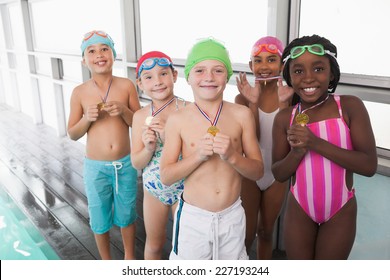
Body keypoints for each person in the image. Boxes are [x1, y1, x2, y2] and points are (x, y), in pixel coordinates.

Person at [272, 34, 377, 259]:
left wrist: (315, 143)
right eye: (298, 71)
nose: (308, 78)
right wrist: (298, 152)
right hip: (300, 209)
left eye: (318, 69)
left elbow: (368, 166)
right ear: (289, 76)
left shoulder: (349, 107)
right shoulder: (284, 118)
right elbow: (279, 173)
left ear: (332, 74)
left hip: (340, 210)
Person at [160, 38, 264, 260]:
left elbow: (258, 171)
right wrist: (197, 156)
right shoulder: (178, 119)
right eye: (199, 70)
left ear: (227, 76)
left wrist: (233, 156)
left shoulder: (241, 115)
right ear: (188, 77)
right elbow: (166, 177)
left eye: (218, 70)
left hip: (232, 216)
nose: (208, 77)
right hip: (193, 218)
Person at [67, 30, 141, 260]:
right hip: (95, 167)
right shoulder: (79, 92)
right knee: (99, 217)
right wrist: (86, 119)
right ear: (84, 59)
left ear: (113, 54)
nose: (99, 54)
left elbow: (139, 123)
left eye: (104, 49)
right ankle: (106, 262)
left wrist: (124, 111)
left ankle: (129, 259)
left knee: (127, 213)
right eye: (92, 51)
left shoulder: (126, 86)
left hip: (125, 164)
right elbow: (72, 133)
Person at [235, 36, 292, 259]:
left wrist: (285, 105)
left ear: (282, 65)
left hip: (277, 175)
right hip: (251, 172)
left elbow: (286, 144)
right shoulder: (242, 99)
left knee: (266, 232)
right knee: (246, 235)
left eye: (271, 60)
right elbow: (254, 138)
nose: (264, 67)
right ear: (251, 66)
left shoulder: (291, 97)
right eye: (258, 61)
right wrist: (253, 102)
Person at [131, 51, 186, 260]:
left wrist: (168, 136)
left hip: (185, 187)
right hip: (154, 188)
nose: (158, 82)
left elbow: (198, 155)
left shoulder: (188, 110)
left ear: (174, 76)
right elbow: (136, 162)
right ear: (140, 83)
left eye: (163, 74)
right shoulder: (140, 116)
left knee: (184, 247)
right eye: (149, 77)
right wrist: (148, 148)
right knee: (154, 245)